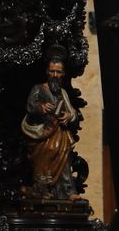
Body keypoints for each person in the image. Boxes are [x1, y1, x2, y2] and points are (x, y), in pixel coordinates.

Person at [20, 54, 79, 198]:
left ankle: (68, 191)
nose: (55, 75)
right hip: (42, 132)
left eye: (58, 72)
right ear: (47, 72)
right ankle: (41, 189)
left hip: (60, 131)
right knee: (47, 153)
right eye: (52, 71)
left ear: (63, 74)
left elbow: (71, 111)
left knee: (64, 159)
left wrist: (69, 116)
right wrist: (41, 107)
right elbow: (30, 106)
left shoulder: (63, 92)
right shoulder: (38, 89)